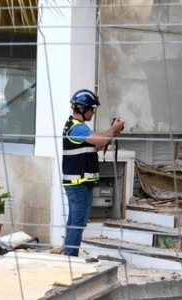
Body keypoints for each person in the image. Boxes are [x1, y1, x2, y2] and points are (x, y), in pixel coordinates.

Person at [62, 89, 125, 257]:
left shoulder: (78, 128)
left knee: (76, 222)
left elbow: (96, 146)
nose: (93, 112)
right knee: (77, 223)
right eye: (92, 109)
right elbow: (100, 139)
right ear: (83, 109)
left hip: (82, 184)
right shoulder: (77, 129)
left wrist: (112, 134)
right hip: (78, 185)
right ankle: (70, 258)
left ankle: (69, 255)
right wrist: (113, 129)